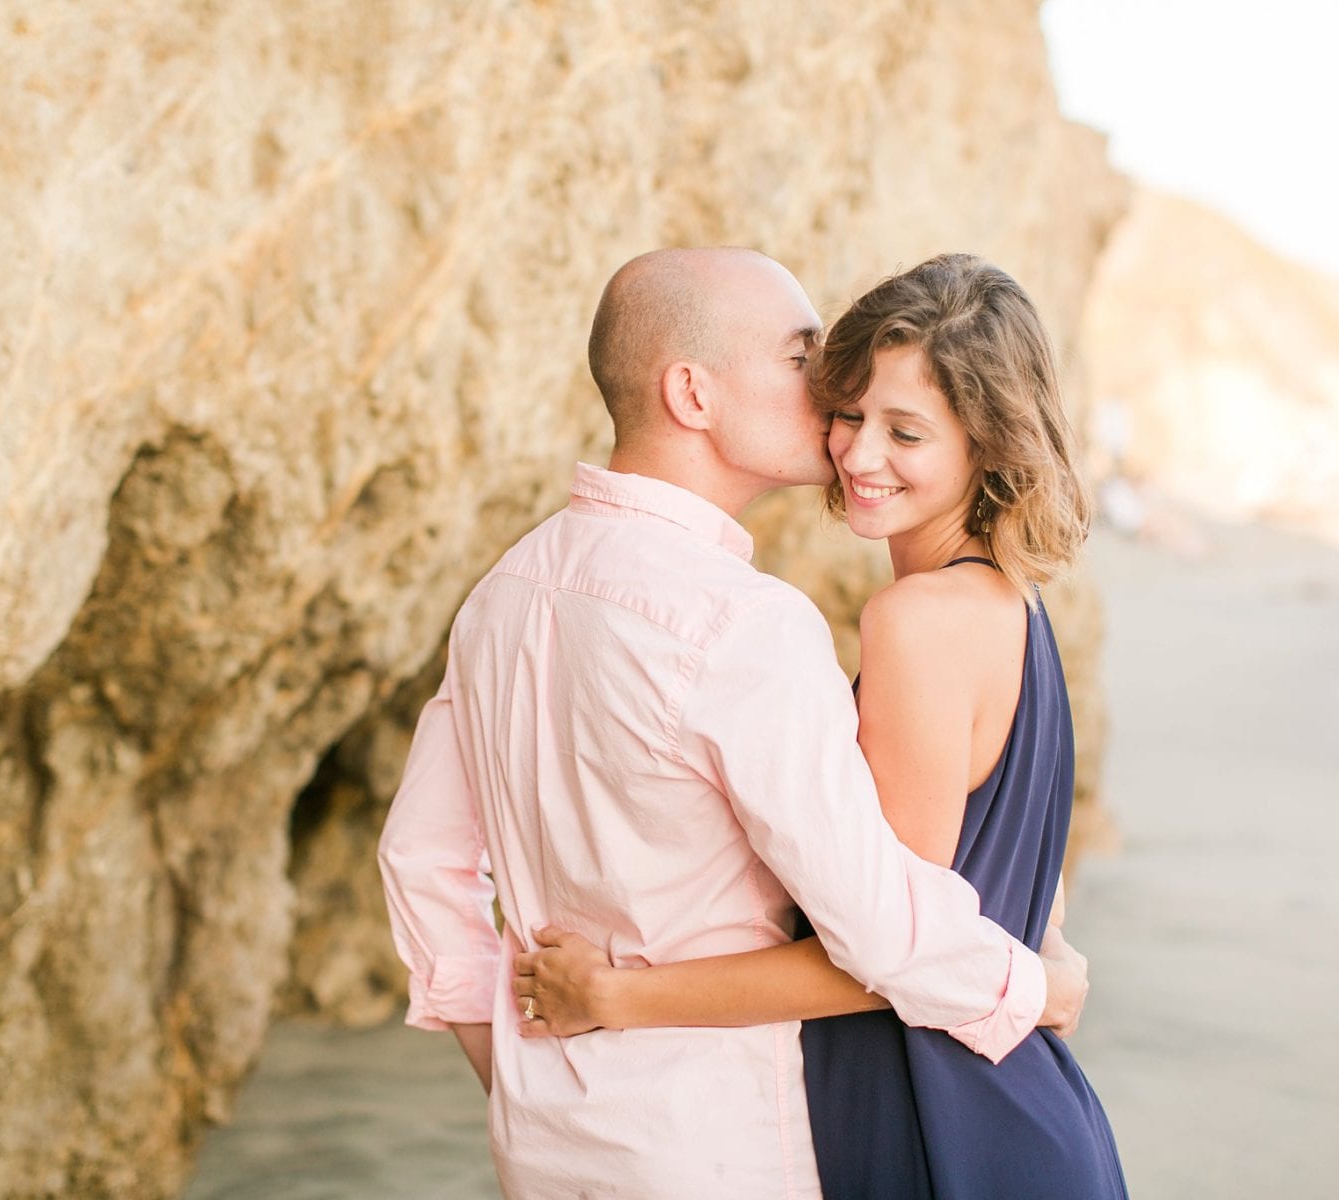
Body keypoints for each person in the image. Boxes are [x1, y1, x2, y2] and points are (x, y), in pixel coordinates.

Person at [377, 247, 1089, 1199]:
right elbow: (885, 928)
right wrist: (1036, 983)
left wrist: (521, 1080)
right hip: (730, 1145)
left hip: (554, 1149)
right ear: (692, 394)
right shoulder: (745, 626)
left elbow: (421, 863)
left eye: (901, 425)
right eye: (804, 363)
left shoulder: (500, 595)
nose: (831, 402)